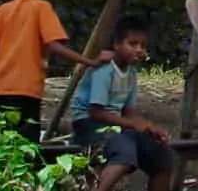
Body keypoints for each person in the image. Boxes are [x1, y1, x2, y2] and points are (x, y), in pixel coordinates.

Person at [0, 0, 105, 141]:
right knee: (24, 152)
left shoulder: (3, 10)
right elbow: (53, 45)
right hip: (26, 93)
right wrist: (90, 62)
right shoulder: (42, 7)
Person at [70, 15, 174, 191]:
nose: (139, 50)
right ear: (116, 45)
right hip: (88, 124)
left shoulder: (131, 73)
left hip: (114, 126)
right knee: (124, 154)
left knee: (162, 157)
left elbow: (127, 111)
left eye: (142, 46)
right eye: (132, 44)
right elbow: (96, 112)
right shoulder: (105, 70)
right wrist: (133, 123)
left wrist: (149, 127)